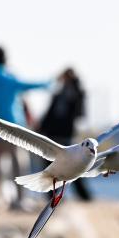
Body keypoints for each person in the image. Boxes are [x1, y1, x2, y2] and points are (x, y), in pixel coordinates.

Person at [0, 46, 49, 210]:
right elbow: (27, 85)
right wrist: (49, 82)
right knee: (18, 163)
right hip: (12, 127)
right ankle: (20, 199)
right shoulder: (7, 77)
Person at [39, 68, 92, 200]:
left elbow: (80, 113)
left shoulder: (77, 94)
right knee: (50, 167)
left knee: (74, 167)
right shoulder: (58, 95)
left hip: (67, 137)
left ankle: (85, 196)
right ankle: (51, 196)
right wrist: (40, 129)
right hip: (52, 136)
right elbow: (49, 114)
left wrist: (74, 83)